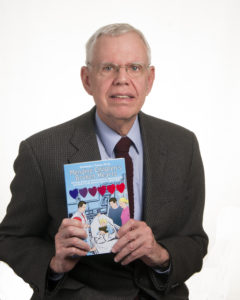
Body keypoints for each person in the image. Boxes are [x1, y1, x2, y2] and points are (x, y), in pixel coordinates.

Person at [0, 23, 208, 299]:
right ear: (87, 79)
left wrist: (160, 254)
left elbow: (194, 240)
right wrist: (54, 262)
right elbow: (12, 238)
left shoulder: (183, 145)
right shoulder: (41, 151)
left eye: (134, 67)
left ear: (150, 79)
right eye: (108, 68)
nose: (122, 79)